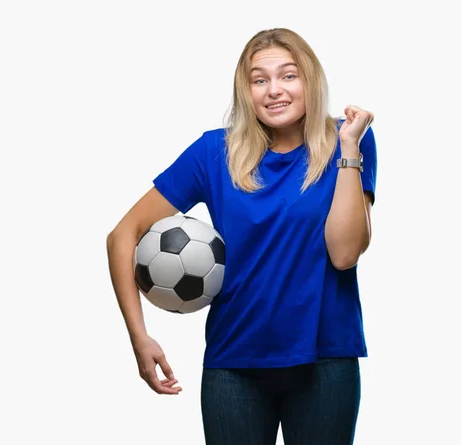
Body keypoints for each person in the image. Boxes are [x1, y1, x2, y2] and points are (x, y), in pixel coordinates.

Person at [106, 27, 377, 445]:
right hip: (234, 363)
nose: (274, 90)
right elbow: (123, 234)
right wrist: (139, 337)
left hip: (326, 360)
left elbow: (344, 254)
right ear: (245, 91)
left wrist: (349, 151)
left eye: (289, 75)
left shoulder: (348, 139)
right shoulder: (215, 152)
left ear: (310, 80)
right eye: (259, 79)